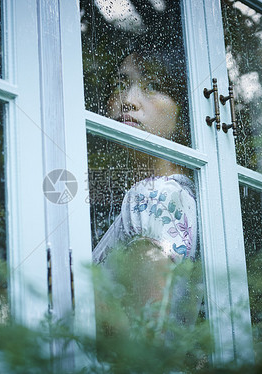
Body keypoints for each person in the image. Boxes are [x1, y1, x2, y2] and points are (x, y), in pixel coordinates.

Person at [91, 49, 203, 336]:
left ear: (184, 110)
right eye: (120, 85)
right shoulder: (176, 195)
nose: (128, 101)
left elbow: (142, 340)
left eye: (152, 86)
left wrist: (67, 287)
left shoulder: (154, 195)